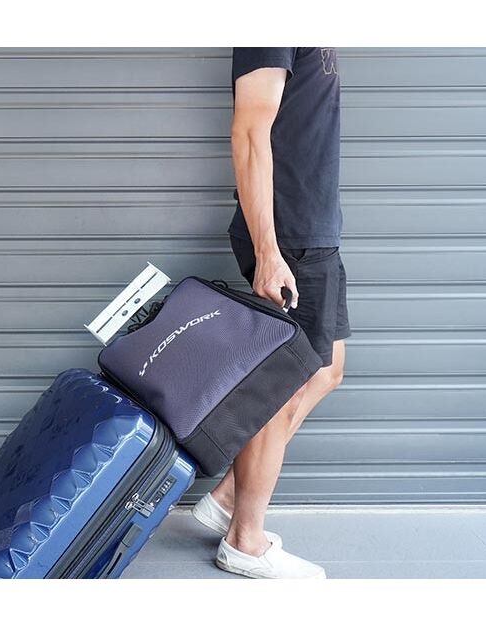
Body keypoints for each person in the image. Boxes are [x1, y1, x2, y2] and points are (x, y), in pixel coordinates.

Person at [191, 47, 351, 579]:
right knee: (281, 388)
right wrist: (268, 250)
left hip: (314, 231)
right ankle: (245, 540)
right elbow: (249, 132)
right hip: (290, 237)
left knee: (326, 371)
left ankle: (226, 500)